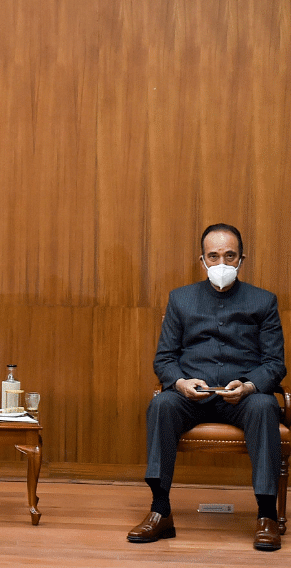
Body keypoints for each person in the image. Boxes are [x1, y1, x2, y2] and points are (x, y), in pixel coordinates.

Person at [128, 223, 286, 551]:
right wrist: (180, 382)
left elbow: (275, 364)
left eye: (230, 256)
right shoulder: (181, 299)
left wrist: (249, 386)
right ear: (202, 260)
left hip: (242, 396)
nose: (222, 264)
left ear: (242, 259)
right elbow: (165, 359)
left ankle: (266, 515)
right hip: (193, 394)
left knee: (265, 405)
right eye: (213, 257)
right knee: (161, 404)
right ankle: (160, 511)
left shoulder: (264, 301)